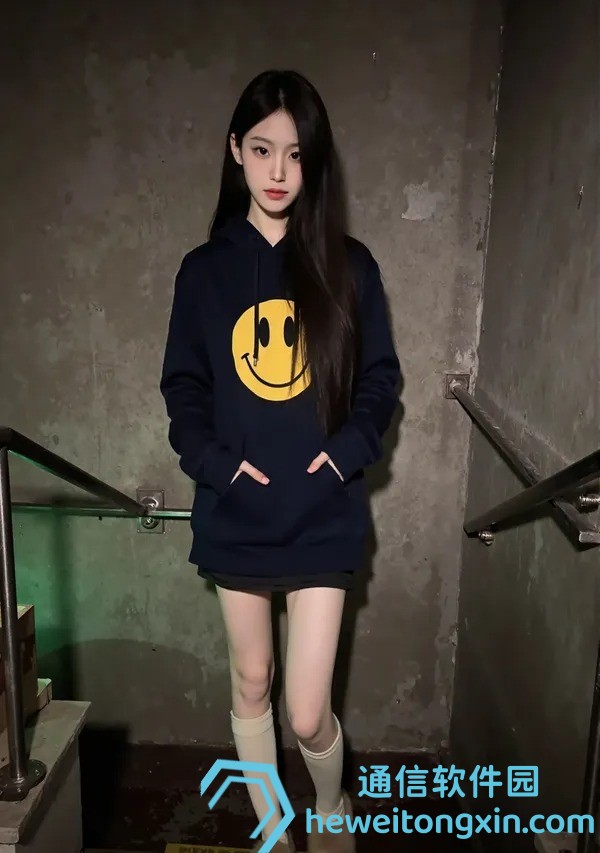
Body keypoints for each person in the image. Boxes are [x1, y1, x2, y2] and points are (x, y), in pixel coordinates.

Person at [160, 69, 401, 853]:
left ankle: (330, 806)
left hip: (323, 512)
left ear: (313, 163)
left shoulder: (350, 266)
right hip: (236, 510)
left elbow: (379, 382)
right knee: (251, 681)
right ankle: (274, 829)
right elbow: (184, 387)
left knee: (305, 709)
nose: (277, 172)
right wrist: (217, 465)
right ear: (235, 150)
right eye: (262, 149)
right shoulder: (204, 271)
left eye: (295, 155)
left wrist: (340, 459)